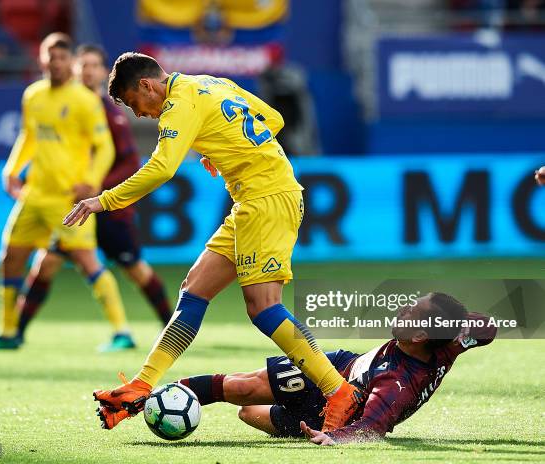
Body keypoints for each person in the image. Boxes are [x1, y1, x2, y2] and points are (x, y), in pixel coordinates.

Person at [63, 52, 363, 431]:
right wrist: (222, 147)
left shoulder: (178, 104)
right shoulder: (210, 82)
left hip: (266, 200)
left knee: (264, 308)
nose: (138, 114)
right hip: (253, 201)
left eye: (133, 103)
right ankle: (141, 384)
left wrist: (102, 200)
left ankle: (339, 392)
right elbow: (273, 119)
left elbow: (161, 168)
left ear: (147, 85)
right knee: (194, 290)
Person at [0, 33, 133, 352]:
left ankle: (122, 331)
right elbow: (28, 136)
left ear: (68, 62)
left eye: (62, 57)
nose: (56, 62)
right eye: (51, 56)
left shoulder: (84, 100)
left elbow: (103, 148)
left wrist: (92, 180)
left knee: (87, 260)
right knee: (10, 257)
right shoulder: (33, 95)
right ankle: (7, 332)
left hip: (68, 198)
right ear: (42, 59)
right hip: (35, 194)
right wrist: (11, 169)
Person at [14, 44, 173, 351]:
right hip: (74, 207)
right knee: (45, 264)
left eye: (93, 66)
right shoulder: (69, 103)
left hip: (108, 208)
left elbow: (129, 162)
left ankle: (171, 326)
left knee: (135, 269)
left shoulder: (110, 112)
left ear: (103, 72)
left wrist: (100, 190)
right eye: (82, 65)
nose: (87, 71)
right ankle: (15, 333)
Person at [178, 293, 497, 445]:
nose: (403, 309)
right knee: (243, 388)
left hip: (324, 413)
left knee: (246, 412)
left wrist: (334, 438)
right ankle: (159, 393)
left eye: (412, 312)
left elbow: (371, 427)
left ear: (419, 337)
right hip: (337, 368)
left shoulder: (396, 384)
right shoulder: (452, 341)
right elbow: (488, 328)